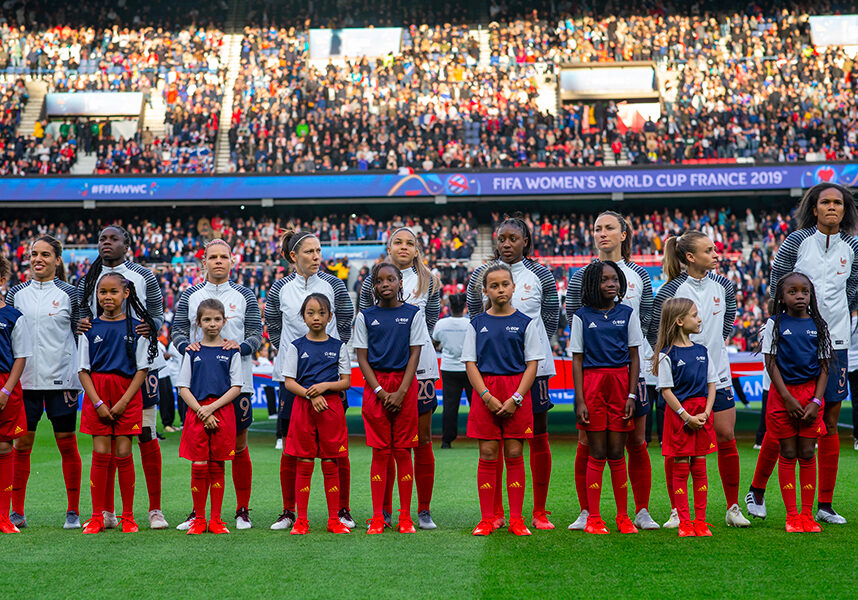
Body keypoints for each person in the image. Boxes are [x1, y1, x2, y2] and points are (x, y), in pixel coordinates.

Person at [748, 182, 858, 525]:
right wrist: (776, 324)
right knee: (780, 420)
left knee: (825, 421)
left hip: (835, 341)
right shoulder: (797, 241)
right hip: (790, 339)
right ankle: (757, 489)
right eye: (825, 202)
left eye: (837, 203)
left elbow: (853, 287)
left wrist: (837, 319)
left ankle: (824, 504)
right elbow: (776, 280)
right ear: (814, 208)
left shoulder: (852, 246)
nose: (831, 208)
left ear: (845, 209)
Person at [648, 231, 750, 528]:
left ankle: (733, 508)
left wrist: (707, 356)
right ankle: (677, 511)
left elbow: (726, 324)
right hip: (680, 380)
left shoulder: (725, 286)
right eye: (709, 250)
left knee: (726, 437)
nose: (716, 254)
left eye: (715, 248)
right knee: (678, 447)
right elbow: (658, 329)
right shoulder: (670, 290)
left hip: (717, 373)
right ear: (690, 257)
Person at [565, 211, 659, 531]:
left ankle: (641, 510)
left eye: (609, 228)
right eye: (597, 229)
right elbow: (571, 316)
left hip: (630, 371)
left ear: (623, 234)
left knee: (636, 440)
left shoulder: (640, 275)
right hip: (594, 374)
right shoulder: (581, 275)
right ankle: (586, 511)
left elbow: (647, 320)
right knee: (588, 441)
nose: (602, 233)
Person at [466, 214, 559, 530]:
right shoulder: (480, 274)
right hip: (492, 370)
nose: (506, 244)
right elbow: (477, 319)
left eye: (513, 238)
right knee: (492, 440)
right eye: (501, 239)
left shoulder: (542, 275)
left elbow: (550, 316)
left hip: (533, 369)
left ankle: (539, 511)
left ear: (525, 241)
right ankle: (495, 513)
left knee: (536, 437)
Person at [78, 225, 167, 530]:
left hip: (138, 365)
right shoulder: (88, 278)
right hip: (102, 364)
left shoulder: (144, 275)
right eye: (102, 238)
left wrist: (150, 326)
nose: (106, 243)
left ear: (126, 245)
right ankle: (106, 511)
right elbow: (80, 316)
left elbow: (158, 312)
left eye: (113, 239)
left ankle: (154, 509)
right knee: (107, 443)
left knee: (145, 433)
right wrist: (81, 325)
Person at [266, 231, 354, 531]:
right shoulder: (279, 288)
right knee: (292, 449)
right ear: (294, 256)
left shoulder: (335, 285)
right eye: (309, 252)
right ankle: (289, 511)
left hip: (329, 381)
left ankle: (342, 510)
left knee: (336, 448)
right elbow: (273, 326)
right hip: (293, 380)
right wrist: (294, 356)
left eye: (319, 251)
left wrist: (328, 358)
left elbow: (345, 322)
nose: (317, 257)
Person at [171, 240, 262, 531]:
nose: (219, 261)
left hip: (238, 383)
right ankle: (199, 513)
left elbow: (257, 333)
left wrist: (242, 347)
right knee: (201, 450)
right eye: (213, 257)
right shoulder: (190, 295)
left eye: (224, 257)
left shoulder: (245, 294)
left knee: (236, 446)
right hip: (198, 386)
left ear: (232, 261)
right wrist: (189, 347)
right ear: (204, 263)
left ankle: (241, 509)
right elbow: (177, 332)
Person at [359, 227, 441, 529]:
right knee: (387, 443)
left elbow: (428, 323)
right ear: (389, 247)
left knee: (419, 439)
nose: (403, 247)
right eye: (398, 242)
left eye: (410, 243)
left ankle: (423, 509)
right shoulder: (375, 278)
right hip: (385, 368)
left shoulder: (429, 280)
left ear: (416, 249)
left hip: (421, 367)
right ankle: (385, 511)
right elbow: (368, 319)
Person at [7, 236, 82, 530]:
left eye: (46, 255)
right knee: (22, 445)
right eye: (34, 254)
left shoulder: (70, 294)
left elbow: (81, 334)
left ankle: (73, 511)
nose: (38, 259)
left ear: (57, 260)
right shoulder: (16, 293)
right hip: (24, 382)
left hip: (62, 380)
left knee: (67, 444)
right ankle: (17, 512)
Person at [462, 264, 541, 536]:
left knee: (515, 453)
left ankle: (517, 519)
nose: (500, 289)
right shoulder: (476, 324)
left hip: (516, 392)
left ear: (513, 287)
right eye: (494, 286)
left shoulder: (525, 323)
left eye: (504, 284)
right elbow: (470, 364)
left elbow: (532, 364)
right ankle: (488, 518)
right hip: (487, 392)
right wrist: (485, 395)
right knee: (487, 453)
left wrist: (516, 397)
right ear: (485, 290)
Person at [569, 261, 641, 535]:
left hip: (621, 384)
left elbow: (635, 356)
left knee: (616, 452)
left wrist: (632, 394)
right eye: (605, 280)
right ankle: (594, 518)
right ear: (592, 285)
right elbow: (577, 358)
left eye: (615, 279)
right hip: (593, 384)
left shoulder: (627, 313)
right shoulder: (581, 316)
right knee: (597, 451)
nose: (612, 284)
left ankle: (623, 517)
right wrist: (580, 399)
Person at [353, 263, 425, 534]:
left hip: (404, 385)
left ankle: (405, 517)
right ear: (373, 286)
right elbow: (362, 357)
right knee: (381, 452)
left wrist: (402, 391)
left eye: (391, 279)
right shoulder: (365, 316)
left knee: (404, 451)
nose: (385, 284)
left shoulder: (412, 314)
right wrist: (380, 392)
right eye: (380, 280)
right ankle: (377, 517)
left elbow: (415, 353)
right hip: (377, 387)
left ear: (400, 283)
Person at [761, 272, 831, 533]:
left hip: (811, 396)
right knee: (788, 452)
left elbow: (825, 367)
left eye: (805, 291)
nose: (800, 295)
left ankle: (807, 514)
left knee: (807, 453)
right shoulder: (774, 324)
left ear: (811, 295)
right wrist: (788, 398)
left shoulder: (819, 325)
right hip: (784, 397)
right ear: (781, 296)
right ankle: (792, 516)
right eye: (793, 291)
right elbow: (770, 362)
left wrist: (815, 401)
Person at [281, 294, 352, 535]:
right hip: (303, 408)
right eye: (311, 313)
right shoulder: (296, 346)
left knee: (331, 461)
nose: (316, 317)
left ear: (330, 317)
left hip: (331, 409)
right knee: (304, 461)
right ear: (303, 316)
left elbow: (345, 382)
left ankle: (334, 519)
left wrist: (324, 387)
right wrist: (310, 394)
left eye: (322, 313)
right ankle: (301, 520)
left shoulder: (338, 346)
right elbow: (289, 382)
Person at [177, 299, 244, 535]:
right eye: (207, 319)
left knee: (217, 464)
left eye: (217, 319)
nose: (212, 324)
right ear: (198, 322)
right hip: (198, 412)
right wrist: (201, 411)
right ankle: (199, 519)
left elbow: (236, 386)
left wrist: (211, 409)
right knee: (199, 464)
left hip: (222, 412)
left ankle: (216, 519)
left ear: (224, 321)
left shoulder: (231, 351)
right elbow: (183, 387)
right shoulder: (192, 351)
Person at [653, 298, 718, 537]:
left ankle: (700, 521)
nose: (699, 319)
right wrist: (685, 416)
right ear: (680, 321)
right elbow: (666, 390)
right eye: (694, 315)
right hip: (681, 419)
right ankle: (684, 522)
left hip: (701, 415)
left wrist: (707, 412)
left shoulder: (702, 351)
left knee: (700, 467)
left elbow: (712, 384)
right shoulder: (666, 354)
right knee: (680, 467)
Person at [0, 254, 32, 534]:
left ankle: (3, 516)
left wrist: (6, 390)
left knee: (3, 448)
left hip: (4, 385)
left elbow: (21, 357)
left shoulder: (13, 317)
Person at [432, 293, 472, 448]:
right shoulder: (469, 323)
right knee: (475, 404)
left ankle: (446, 441)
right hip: (468, 368)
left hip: (448, 368)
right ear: (464, 307)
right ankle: (481, 435)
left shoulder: (441, 324)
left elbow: (434, 343)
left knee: (450, 406)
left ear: (449, 307)